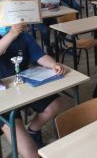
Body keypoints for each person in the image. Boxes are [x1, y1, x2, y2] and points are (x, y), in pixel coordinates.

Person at [0, 23, 66, 157]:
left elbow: (39, 56)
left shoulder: (25, 37)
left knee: (55, 103)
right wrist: (11, 35)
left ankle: (32, 131)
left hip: (24, 88)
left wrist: (53, 64)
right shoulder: (11, 35)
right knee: (32, 154)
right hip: (4, 101)